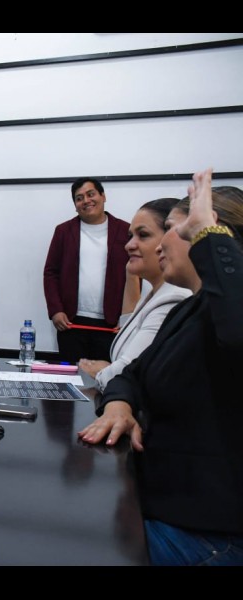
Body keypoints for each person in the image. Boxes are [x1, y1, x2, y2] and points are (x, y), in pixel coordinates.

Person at [78, 169, 243, 566]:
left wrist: (207, 234)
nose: (164, 242)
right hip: (161, 506)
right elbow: (132, 374)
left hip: (204, 534)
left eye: (173, 228)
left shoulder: (224, 316)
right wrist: (119, 404)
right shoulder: (188, 310)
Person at [78, 198, 191, 391]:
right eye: (130, 236)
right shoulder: (156, 293)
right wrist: (131, 274)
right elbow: (128, 328)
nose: (129, 245)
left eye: (143, 235)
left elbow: (125, 373)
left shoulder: (173, 299)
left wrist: (104, 371)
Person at [43, 177, 131, 363]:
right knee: (72, 376)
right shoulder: (63, 231)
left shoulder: (125, 230)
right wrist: (56, 310)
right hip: (71, 322)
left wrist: (127, 317)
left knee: (107, 375)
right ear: (75, 206)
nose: (86, 201)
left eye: (91, 194)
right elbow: (51, 272)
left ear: (103, 196)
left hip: (112, 323)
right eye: (79, 198)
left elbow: (135, 275)